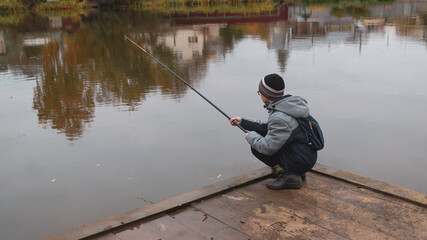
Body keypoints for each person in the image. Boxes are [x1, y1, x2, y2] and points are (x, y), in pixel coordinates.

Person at [229, 73, 317, 190]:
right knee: (262, 137)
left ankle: (290, 177)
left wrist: (251, 136)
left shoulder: (280, 116)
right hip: (305, 156)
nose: (259, 95)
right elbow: (270, 126)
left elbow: (268, 148)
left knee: (257, 147)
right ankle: (296, 171)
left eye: (259, 92)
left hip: (301, 160)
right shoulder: (288, 106)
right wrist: (243, 122)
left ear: (265, 94)